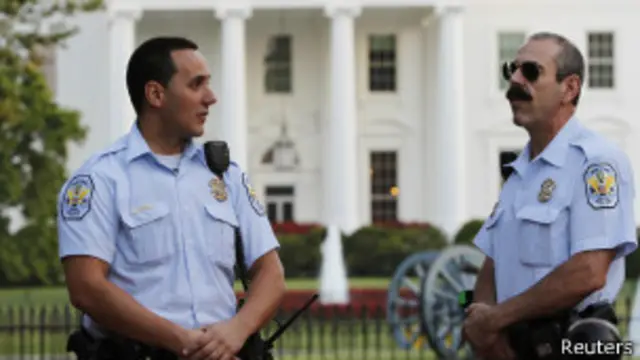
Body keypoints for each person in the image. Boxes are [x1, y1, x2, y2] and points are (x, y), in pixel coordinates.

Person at [56, 36, 286, 360]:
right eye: (196, 85)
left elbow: (270, 272)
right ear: (156, 94)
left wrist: (236, 331)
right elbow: (86, 288)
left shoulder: (224, 175)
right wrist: (181, 341)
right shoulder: (100, 179)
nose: (211, 97)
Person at [463, 32, 637, 360]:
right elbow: (492, 263)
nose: (514, 80)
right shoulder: (520, 173)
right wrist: (486, 332)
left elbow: (588, 271)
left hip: (573, 345)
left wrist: (498, 318)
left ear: (569, 88)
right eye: (511, 70)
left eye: (530, 71)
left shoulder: (596, 162)